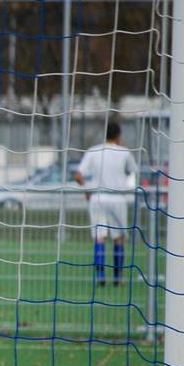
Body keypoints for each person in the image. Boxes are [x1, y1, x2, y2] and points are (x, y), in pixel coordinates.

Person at [74, 120, 137, 287]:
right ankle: (118, 277)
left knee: (99, 237)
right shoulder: (124, 152)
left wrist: (87, 189)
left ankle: (100, 274)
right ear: (118, 136)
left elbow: (78, 175)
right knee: (119, 238)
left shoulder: (93, 151)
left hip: (97, 198)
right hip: (117, 198)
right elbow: (132, 171)